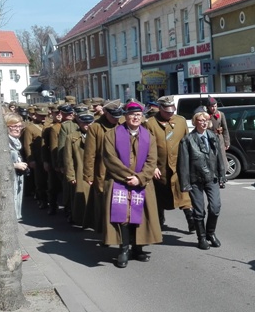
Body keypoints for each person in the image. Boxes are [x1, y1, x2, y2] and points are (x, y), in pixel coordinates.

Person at [102, 101, 161, 268]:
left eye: (138, 115)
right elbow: (109, 159)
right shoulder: (112, 135)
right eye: (132, 114)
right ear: (125, 116)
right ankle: (124, 249)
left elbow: (151, 161)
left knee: (139, 215)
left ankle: (138, 248)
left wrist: (140, 178)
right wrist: (130, 177)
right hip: (119, 181)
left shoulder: (149, 137)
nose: (135, 117)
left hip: (142, 183)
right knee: (123, 217)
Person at [145, 95, 196, 233]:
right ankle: (159, 220)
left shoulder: (180, 121)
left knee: (184, 195)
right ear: (160, 108)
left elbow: (187, 142)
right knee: (159, 195)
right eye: (167, 111)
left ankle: (191, 221)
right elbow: (146, 146)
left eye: (172, 111)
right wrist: (152, 166)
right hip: (160, 167)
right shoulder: (150, 123)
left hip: (179, 166)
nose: (170, 113)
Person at [178, 107, 226, 250]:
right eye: (200, 120)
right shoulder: (187, 140)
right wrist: (185, 183)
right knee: (199, 211)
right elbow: (183, 164)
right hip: (195, 179)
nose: (204, 123)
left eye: (206, 120)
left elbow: (219, 158)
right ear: (195, 122)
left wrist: (222, 175)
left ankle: (210, 233)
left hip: (212, 178)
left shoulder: (213, 137)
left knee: (215, 207)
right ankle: (202, 237)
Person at [82, 99, 123, 233]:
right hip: (103, 170)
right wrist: (88, 174)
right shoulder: (96, 127)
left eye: (118, 116)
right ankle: (104, 231)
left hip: (122, 169)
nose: (116, 119)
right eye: (113, 116)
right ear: (105, 112)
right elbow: (90, 153)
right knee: (103, 200)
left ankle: (120, 231)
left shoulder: (123, 124)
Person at [63, 111, 94, 226]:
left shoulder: (97, 135)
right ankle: (80, 219)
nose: (87, 125)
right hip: (79, 171)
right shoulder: (71, 137)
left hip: (94, 171)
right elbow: (68, 158)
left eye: (90, 122)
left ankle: (93, 221)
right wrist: (71, 175)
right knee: (79, 197)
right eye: (84, 123)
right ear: (79, 123)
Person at [5, 113, 29, 220]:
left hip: (16, 178)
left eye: (20, 126)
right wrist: (15, 165)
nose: (18, 129)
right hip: (7, 181)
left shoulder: (16, 141)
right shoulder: (4, 141)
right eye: (14, 126)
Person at [205, 96, 230, 186]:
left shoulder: (221, 114)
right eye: (211, 106)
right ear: (208, 107)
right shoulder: (205, 115)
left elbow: (225, 129)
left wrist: (227, 142)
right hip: (208, 138)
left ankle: (222, 178)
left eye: (215, 106)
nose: (213, 108)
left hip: (219, 139)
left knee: (222, 159)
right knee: (211, 159)